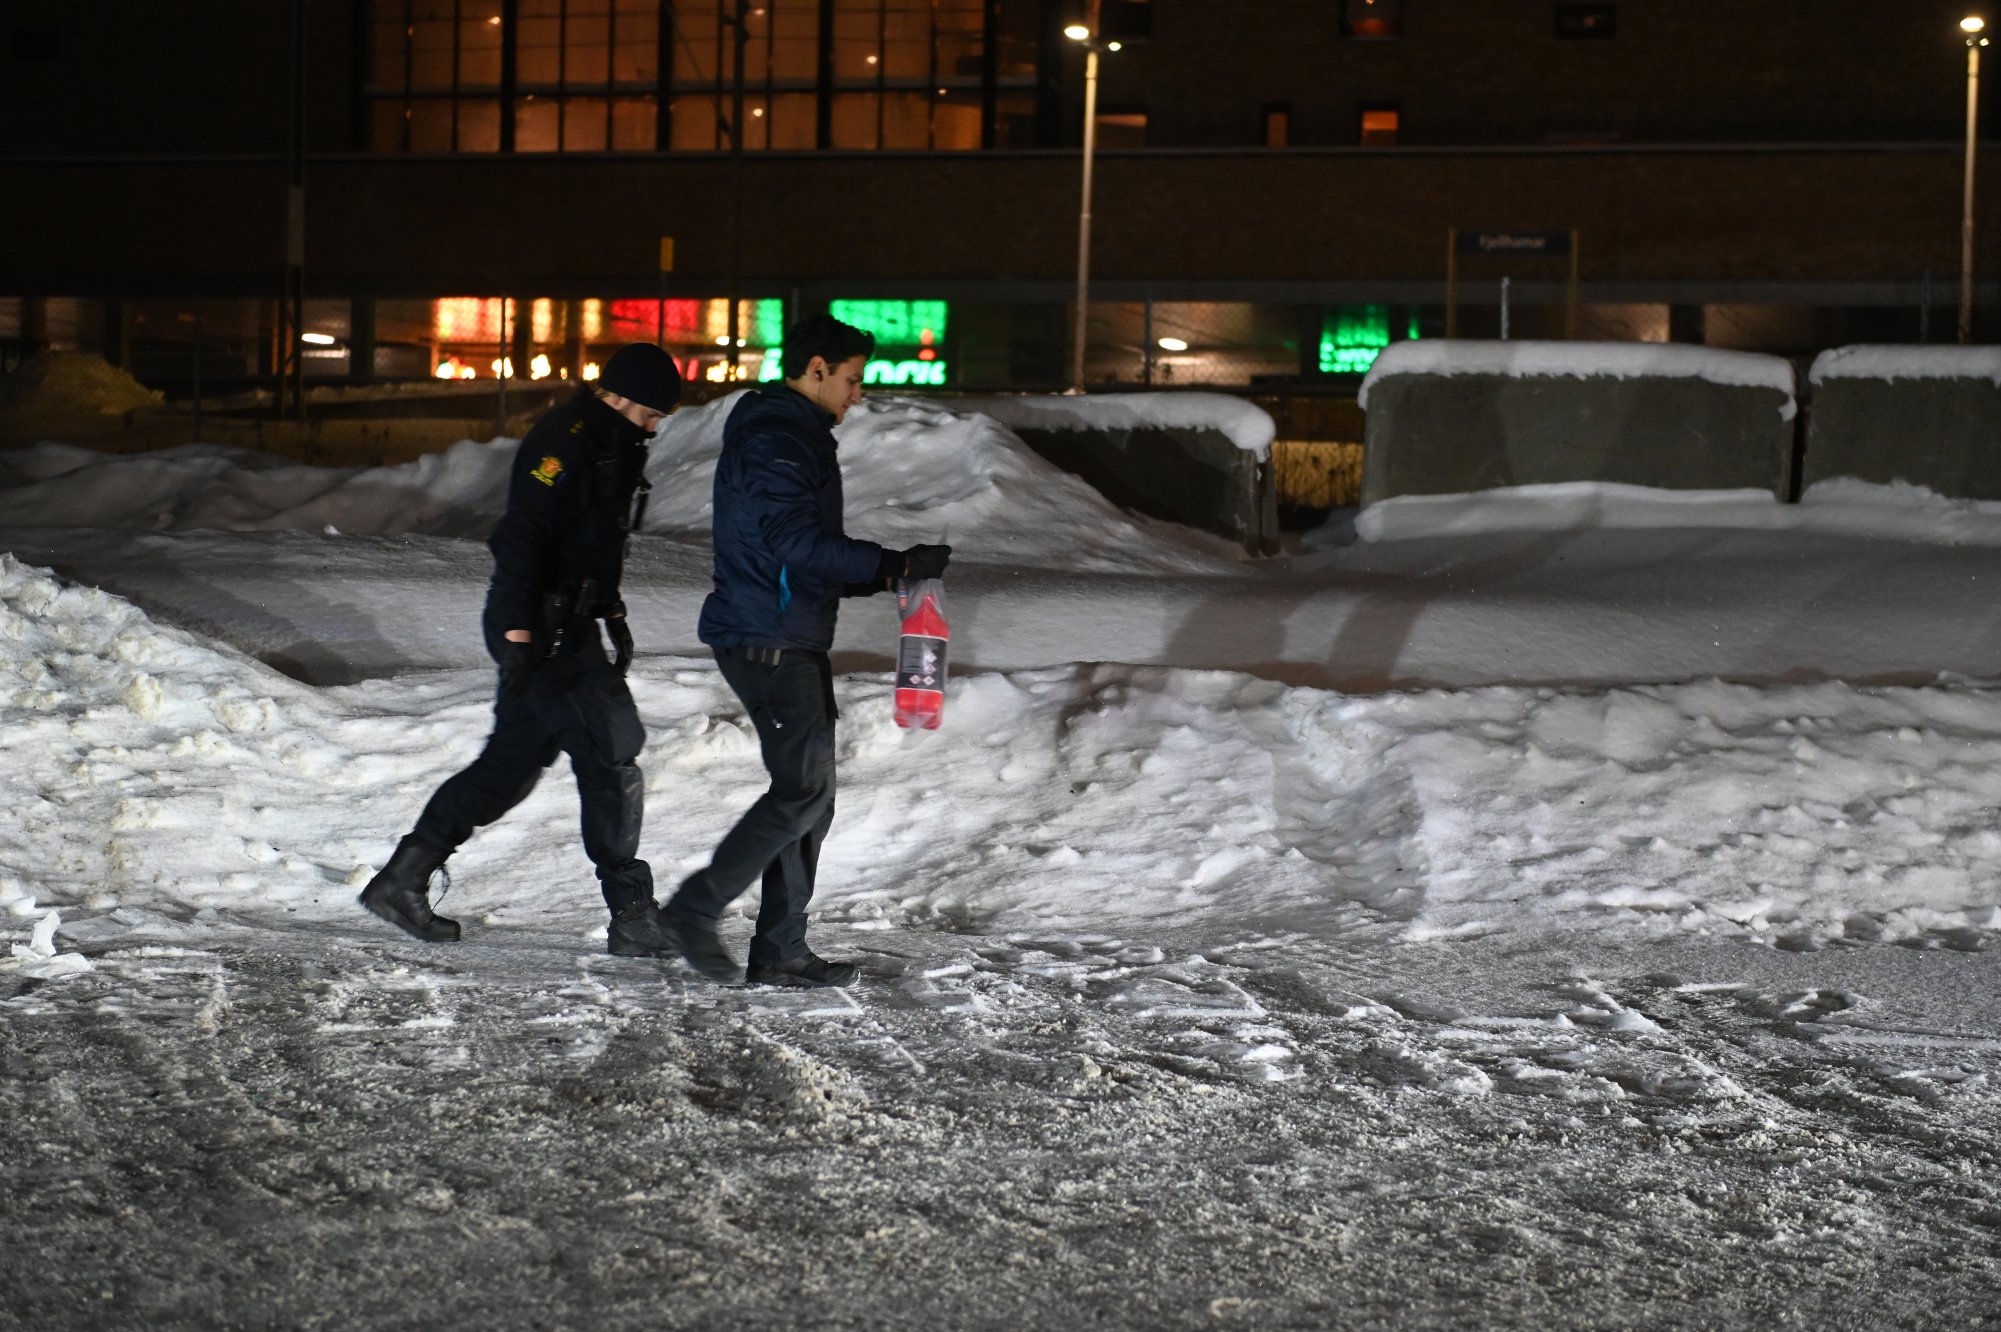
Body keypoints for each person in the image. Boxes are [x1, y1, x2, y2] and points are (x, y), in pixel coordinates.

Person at [358, 342, 690, 961]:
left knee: (507, 770)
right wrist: (518, 631)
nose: (654, 426)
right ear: (621, 397)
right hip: (541, 629)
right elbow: (522, 538)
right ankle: (632, 916)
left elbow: (590, 538)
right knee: (610, 751)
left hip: (567, 624)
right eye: (651, 413)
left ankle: (401, 882)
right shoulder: (564, 441)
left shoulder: (613, 442)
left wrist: (608, 605)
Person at [662, 313, 950, 988]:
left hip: (785, 632)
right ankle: (696, 910)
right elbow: (795, 543)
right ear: (816, 369)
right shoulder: (778, 436)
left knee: (810, 798)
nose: (857, 394)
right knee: (803, 793)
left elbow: (796, 556)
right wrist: (893, 562)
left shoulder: (791, 432)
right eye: (851, 380)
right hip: (767, 639)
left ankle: (780, 949)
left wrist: (887, 574)